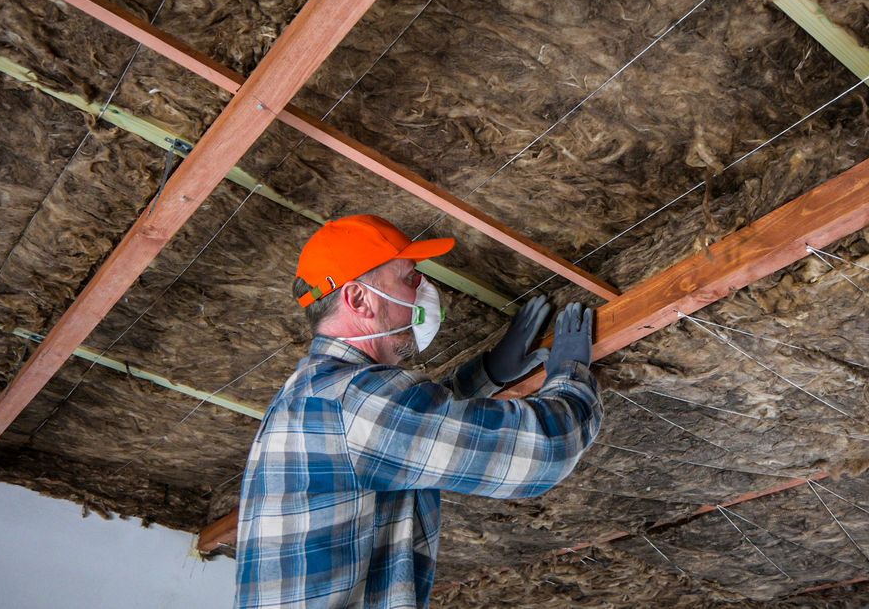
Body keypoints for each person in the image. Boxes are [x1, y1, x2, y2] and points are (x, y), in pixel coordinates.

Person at [233, 214, 601, 609]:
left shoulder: (316, 395)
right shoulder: (351, 401)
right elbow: (541, 453)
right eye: (409, 278)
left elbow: (407, 428)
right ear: (359, 299)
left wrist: (488, 374)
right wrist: (570, 375)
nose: (422, 290)